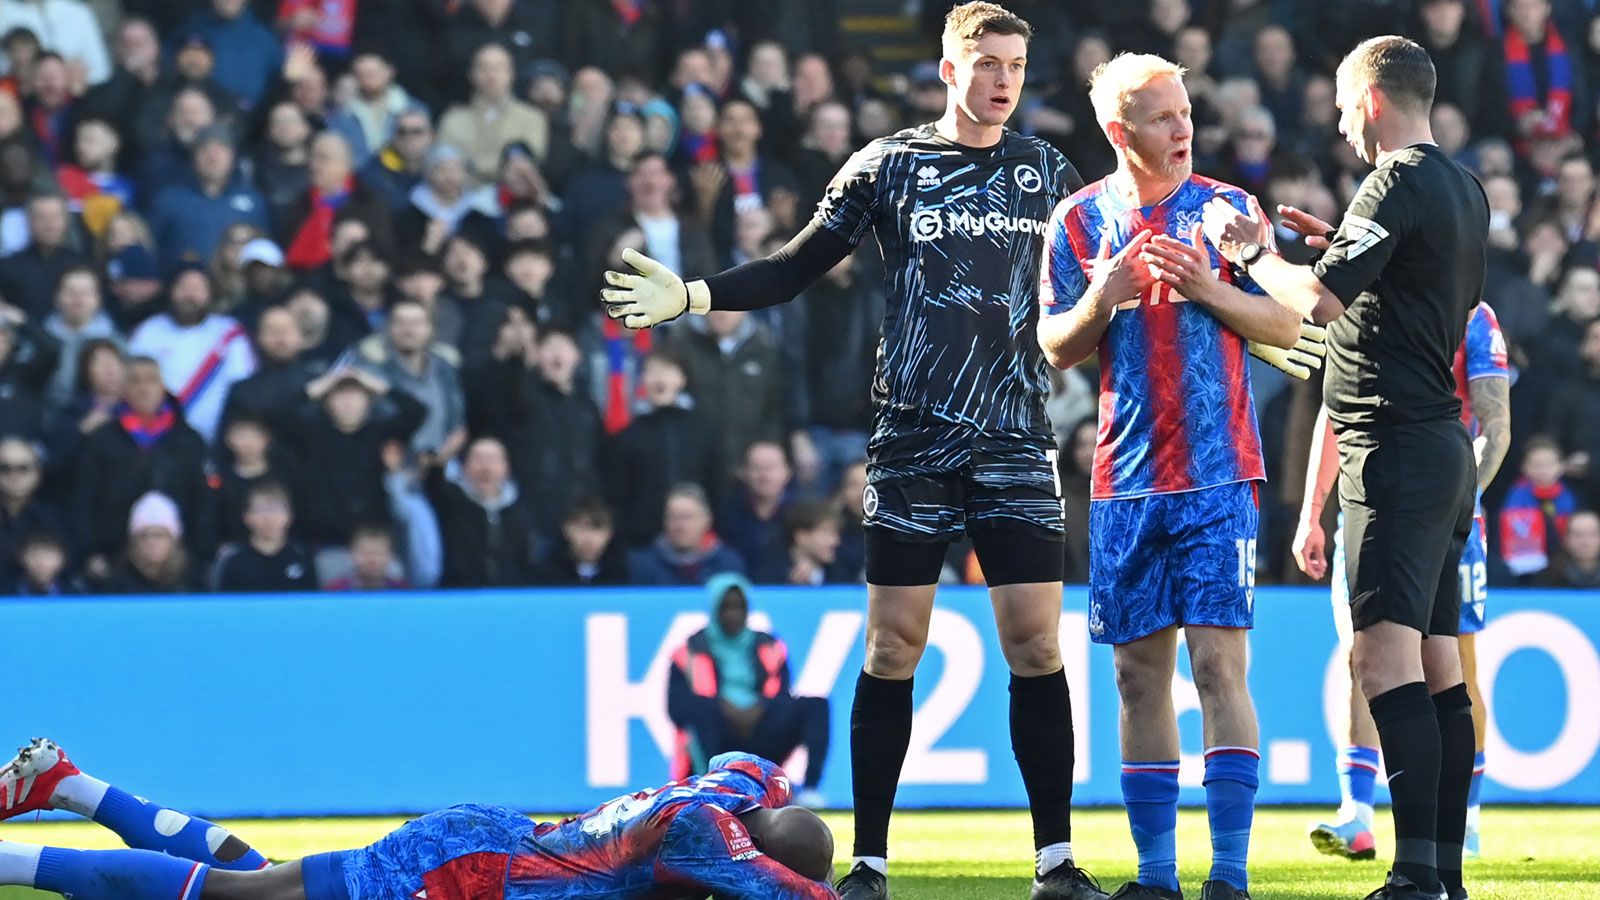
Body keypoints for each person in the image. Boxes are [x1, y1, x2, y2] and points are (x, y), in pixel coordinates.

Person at [604, 6, 1103, 896]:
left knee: (1036, 645)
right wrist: (691, 294)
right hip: (912, 438)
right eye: (986, 63)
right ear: (948, 71)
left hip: (1017, 438)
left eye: (1017, 66)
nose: (1003, 80)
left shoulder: (1047, 173)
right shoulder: (889, 166)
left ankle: (1057, 862)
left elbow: (1099, 281)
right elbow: (796, 264)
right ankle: (869, 861)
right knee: (892, 647)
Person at [1201, 35, 1489, 900]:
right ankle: (1442, 876)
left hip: (1393, 446)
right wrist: (1336, 246)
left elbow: (1319, 300)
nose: (1335, 121)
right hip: (1440, 445)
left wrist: (1252, 252)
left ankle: (1411, 875)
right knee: (1441, 673)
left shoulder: (1394, 179)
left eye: (1338, 104)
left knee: (1381, 663)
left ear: (1368, 101)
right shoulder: (1464, 185)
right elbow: (1417, 285)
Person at [1036, 50, 1311, 900]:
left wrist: (1209, 287)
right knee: (1135, 675)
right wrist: (1102, 297)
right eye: (1163, 117)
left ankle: (1228, 874)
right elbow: (1053, 344)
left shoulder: (1227, 210)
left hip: (1220, 472)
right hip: (1123, 478)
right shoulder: (1078, 223)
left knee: (1219, 668)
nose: (1184, 127)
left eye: (1186, 111)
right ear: (1120, 133)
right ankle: (1156, 877)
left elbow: (1286, 318)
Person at [0, 739, 838, 899]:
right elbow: (782, 894)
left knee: (257, 879)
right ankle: (16, 862)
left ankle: (73, 787)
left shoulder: (734, 789)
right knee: (236, 899)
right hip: (471, 876)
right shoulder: (712, 839)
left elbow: (759, 767)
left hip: (492, 843)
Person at [1295, 302, 1512, 863]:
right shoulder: (1355, 303)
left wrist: (1462, 501)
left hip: (1445, 508)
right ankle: (1358, 815)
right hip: (1366, 506)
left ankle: (1463, 818)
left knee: (1454, 665)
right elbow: (1333, 411)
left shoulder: (1472, 315)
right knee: (1360, 655)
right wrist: (1311, 510)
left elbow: (1496, 421)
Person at [667, 573, 832, 808]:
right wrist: (723, 708)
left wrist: (759, 708)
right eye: (726, 607)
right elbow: (676, 708)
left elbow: (782, 694)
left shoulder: (769, 645)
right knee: (699, 707)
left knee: (816, 704)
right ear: (714, 610)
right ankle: (711, 786)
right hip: (717, 735)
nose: (733, 614)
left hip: (761, 729)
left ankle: (811, 790)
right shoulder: (689, 650)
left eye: (739, 607)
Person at [210, 480, 318, 593]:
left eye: (275, 510)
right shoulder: (233, 559)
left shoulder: (302, 556)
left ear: (289, 516)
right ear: (247, 517)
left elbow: (314, 601)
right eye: (260, 510)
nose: (268, 518)